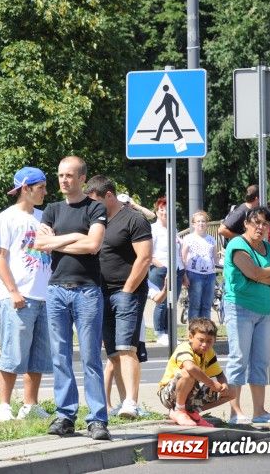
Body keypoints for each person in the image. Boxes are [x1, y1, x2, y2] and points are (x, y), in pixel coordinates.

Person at [34, 156, 109, 440]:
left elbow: (93, 245)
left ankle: (97, 418)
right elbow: (40, 244)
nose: (64, 180)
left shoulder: (95, 207)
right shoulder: (51, 210)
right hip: (56, 290)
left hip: (87, 289)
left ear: (81, 179)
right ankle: (65, 415)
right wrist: (74, 237)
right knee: (60, 356)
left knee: (90, 356)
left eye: (69, 176)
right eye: (60, 175)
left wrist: (60, 241)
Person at [86, 175, 152, 420]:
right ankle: (124, 403)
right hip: (101, 292)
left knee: (127, 348)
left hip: (127, 292)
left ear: (109, 196)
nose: (92, 207)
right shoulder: (97, 221)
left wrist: (127, 290)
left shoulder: (134, 219)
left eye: (95, 201)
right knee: (113, 352)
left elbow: (144, 258)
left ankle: (132, 403)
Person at [0, 167, 52, 422]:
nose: (45, 192)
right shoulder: (7, 217)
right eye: (40, 187)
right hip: (19, 295)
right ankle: (4, 404)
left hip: (45, 295)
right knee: (13, 351)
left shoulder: (45, 216)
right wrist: (13, 291)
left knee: (38, 354)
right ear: (25, 189)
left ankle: (30, 403)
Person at [222, 205, 270, 424]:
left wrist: (261, 276)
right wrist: (266, 273)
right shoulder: (238, 244)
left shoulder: (268, 247)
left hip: (264, 311)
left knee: (260, 362)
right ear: (246, 224)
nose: (261, 227)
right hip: (239, 309)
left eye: (265, 223)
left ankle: (260, 412)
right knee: (238, 359)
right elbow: (254, 272)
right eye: (256, 222)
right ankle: (235, 412)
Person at [158, 318, 233, 427]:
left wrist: (224, 384)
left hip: (191, 391)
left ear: (214, 340)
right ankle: (178, 410)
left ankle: (192, 412)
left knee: (231, 391)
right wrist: (211, 384)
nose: (205, 344)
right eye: (201, 340)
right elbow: (190, 367)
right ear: (190, 337)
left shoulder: (209, 352)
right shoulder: (184, 348)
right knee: (188, 374)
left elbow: (219, 374)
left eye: (209, 341)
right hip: (168, 394)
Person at [147, 197, 185, 345]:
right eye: (162, 209)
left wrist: (183, 272)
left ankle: (170, 332)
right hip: (161, 271)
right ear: (157, 211)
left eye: (167, 210)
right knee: (162, 302)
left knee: (172, 303)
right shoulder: (153, 229)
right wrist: (162, 267)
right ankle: (160, 332)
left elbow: (178, 250)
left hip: (177, 270)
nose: (165, 212)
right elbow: (149, 253)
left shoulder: (173, 228)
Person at [181, 210, 217, 321]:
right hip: (194, 274)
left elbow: (215, 259)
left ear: (206, 223)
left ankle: (205, 332)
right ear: (193, 224)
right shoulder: (188, 239)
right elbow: (183, 258)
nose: (201, 223)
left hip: (210, 275)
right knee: (195, 305)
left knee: (206, 306)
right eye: (198, 221)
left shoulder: (212, 240)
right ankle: (194, 332)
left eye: (203, 221)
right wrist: (184, 276)